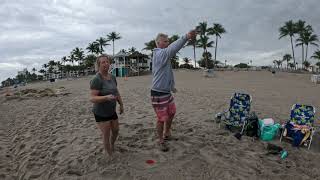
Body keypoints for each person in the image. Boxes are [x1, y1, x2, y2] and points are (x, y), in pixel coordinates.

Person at [151, 30, 197, 151]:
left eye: (168, 41)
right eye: (165, 41)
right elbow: (173, 48)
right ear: (158, 43)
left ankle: (167, 133)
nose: (167, 43)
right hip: (158, 93)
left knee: (172, 112)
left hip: (166, 92)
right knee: (162, 118)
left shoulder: (164, 56)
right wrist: (186, 36)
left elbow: (168, 73)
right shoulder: (159, 54)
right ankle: (161, 140)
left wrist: (171, 86)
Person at [90, 54, 124, 156]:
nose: (106, 64)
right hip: (101, 112)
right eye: (103, 62)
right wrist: (105, 97)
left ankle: (112, 145)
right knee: (106, 134)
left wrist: (121, 104)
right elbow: (92, 98)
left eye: (107, 61)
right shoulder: (96, 79)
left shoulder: (112, 77)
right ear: (98, 65)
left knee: (116, 130)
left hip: (111, 111)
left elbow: (116, 92)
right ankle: (109, 154)